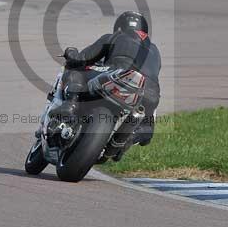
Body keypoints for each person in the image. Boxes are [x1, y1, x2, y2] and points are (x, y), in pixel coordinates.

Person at [51, 11, 161, 146]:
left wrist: (70, 52)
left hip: (120, 74)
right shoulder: (155, 50)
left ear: (120, 27)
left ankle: (70, 104)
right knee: (147, 128)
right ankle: (127, 139)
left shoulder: (116, 36)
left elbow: (82, 59)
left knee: (76, 68)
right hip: (150, 92)